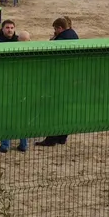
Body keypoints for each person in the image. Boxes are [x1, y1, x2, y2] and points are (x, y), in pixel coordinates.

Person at [36, 17, 79, 146]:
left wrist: (52, 41)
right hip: (70, 76)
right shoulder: (74, 34)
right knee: (64, 108)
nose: (55, 31)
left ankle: (52, 138)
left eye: (55, 29)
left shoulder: (61, 39)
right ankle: (62, 136)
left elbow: (51, 53)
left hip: (59, 78)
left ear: (60, 28)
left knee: (54, 108)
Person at [0, 20, 28, 153]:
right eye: (7, 28)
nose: (10, 30)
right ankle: (6, 144)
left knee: (18, 113)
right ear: (3, 29)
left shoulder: (19, 41)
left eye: (12, 28)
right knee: (6, 112)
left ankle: (23, 144)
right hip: (4, 82)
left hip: (18, 82)